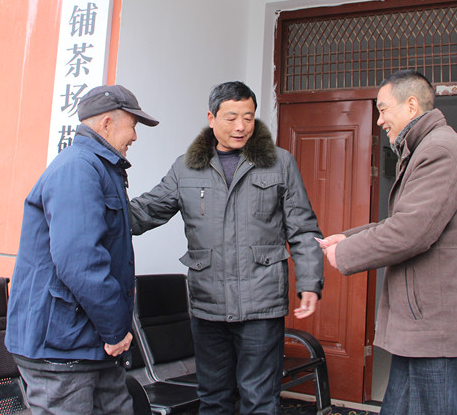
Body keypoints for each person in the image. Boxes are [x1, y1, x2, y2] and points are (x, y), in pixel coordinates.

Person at [129, 81, 324, 415]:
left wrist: (310, 282)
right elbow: (146, 211)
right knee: (213, 397)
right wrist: (97, 208)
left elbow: (303, 228)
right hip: (209, 305)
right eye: (231, 117)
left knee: (260, 399)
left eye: (248, 117)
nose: (241, 126)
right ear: (211, 118)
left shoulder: (280, 163)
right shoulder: (185, 168)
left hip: (261, 304)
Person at [319, 69, 457, 415]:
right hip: (421, 326)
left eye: (383, 109)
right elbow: (404, 221)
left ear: (411, 105)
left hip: (436, 327)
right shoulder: (422, 148)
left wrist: (346, 253)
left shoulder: (439, 150)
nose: (379, 120)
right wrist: (348, 237)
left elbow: (411, 232)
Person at [5, 84, 159, 415]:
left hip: (89, 343)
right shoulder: (78, 168)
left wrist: (113, 332)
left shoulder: (99, 167)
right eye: (132, 125)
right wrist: (116, 330)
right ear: (106, 123)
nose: (134, 136)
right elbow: (80, 262)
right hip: (62, 348)